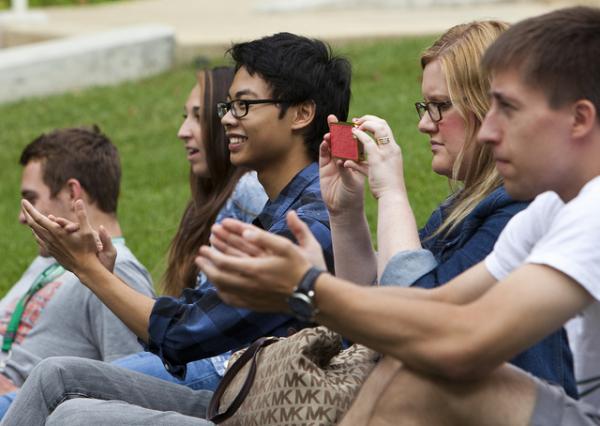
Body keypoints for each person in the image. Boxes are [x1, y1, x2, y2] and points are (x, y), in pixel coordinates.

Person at [192, 6, 600, 425]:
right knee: (405, 372)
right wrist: (337, 235)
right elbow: (432, 310)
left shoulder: (578, 212)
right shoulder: (547, 206)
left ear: (580, 119)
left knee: (420, 377)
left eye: (508, 110)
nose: (490, 130)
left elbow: (457, 338)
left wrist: (310, 289)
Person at [7, 32, 351, 424]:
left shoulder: (307, 225)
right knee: (56, 375)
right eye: (228, 105)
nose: (225, 118)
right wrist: (99, 271)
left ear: (301, 114)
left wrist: (86, 269)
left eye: (243, 106)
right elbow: (193, 312)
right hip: (241, 398)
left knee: (77, 416)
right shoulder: (279, 211)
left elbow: (185, 336)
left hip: (271, 412)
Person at [318, 20, 574, 399]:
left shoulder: (520, 213)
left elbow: (415, 322)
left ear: (490, 108)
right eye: (426, 106)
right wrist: (346, 214)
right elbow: (370, 321)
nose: (424, 124)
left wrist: (392, 194)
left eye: (439, 107)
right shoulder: (459, 211)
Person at [109, 67, 267, 394]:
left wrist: (90, 271)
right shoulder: (215, 199)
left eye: (198, 117)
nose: (183, 131)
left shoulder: (250, 189)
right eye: (186, 116)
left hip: (225, 367)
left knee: (70, 381)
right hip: (202, 357)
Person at [0, 127, 153, 414]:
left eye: (31, 199)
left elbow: (132, 388)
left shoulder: (117, 272)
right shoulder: (47, 261)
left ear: (72, 193)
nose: (23, 217)